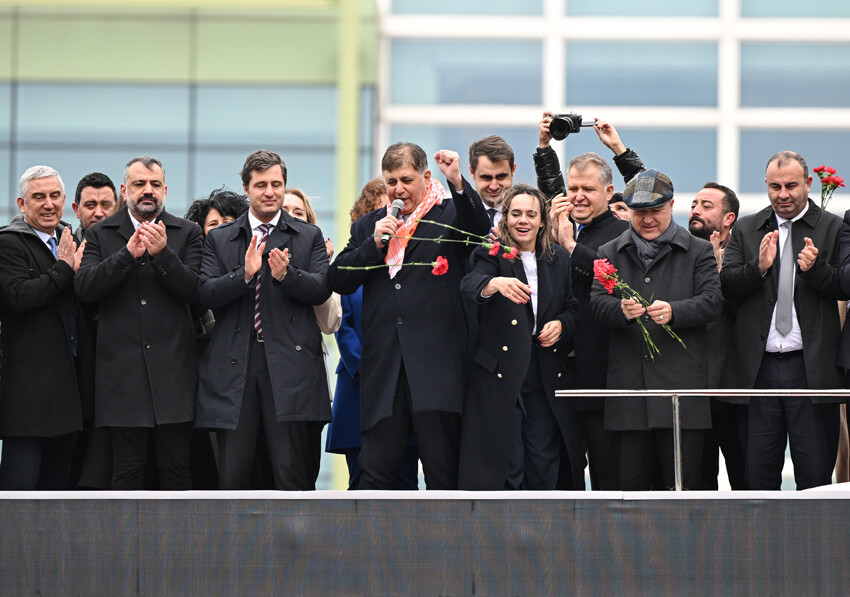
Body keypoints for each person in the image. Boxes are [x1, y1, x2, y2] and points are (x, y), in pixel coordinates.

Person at [328, 142, 489, 490]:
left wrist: (459, 182)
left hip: (437, 370)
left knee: (443, 471)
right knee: (375, 474)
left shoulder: (449, 214)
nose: (398, 189)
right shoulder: (371, 225)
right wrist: (373, 245)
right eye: (390, 181)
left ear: (426, 177)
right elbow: (338, 277)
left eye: (406, 179)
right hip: (385, 370)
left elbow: (478, 228)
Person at [196, 149, 332, 490]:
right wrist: (244, 273)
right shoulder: (220, 238)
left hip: (290, 365)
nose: (269, 192)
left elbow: (320, 289)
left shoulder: (307, 236)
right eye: (261, 185)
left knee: (290, 474)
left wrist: (288, 275)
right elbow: (205, 294)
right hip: (236, 364)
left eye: (276, 184)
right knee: (234, 475)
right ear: (247, 188)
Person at [590, 169, 723, 490]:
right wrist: (620, 310)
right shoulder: (609, 252)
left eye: (655, 211)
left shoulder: (698, 250)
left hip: (681, 396)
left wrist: (675, 311)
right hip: (629, 395)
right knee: (631, 496)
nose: (647, 219)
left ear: (671, 206)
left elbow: (713, 301)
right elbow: (595, 302)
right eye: (640, 213)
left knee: (682, 490)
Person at [75, 156, 203, 490]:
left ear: (165, 189)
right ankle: (124, 546)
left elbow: (194, 291)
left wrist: (163, 255)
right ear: (124, 190)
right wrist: (125, 256)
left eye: (154, 185)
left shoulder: (187, 232)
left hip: (174, 377)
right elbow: (86, 288)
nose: (147, 191)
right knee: (127, 472)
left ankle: (180, 544)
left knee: (176, 471)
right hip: (122, 380)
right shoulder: (101, 233)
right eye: (139, 184)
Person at [721, 151, 845, 490]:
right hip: (758, 372)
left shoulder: (833, 228)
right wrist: (758, 268)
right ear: (766, 186)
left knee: (815, 477)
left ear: (808, 184)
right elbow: (726, 287)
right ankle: (762, 545)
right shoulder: (747, 228)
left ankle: (814, 545)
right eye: (775, 187)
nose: (783, 194)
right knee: (758, 477)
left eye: (791, 185)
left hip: (812, 370)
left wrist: (816, 269)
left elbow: (843, 285)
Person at [534, 116, 644, 490]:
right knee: (561, 474)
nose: (578, 196)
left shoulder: (623, 231)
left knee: (607, 474)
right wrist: (545, 146)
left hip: (602, 376)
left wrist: (571, 248)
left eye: (588, 189)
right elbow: (549, 192)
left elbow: (616, 280)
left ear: (609, 192)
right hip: (557, 370)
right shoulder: (557, 223)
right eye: (573, 188)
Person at [459, 184, 578, 490]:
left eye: (530, 214)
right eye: (515, 213)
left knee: (543, 460)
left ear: (542, 221)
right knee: (506, 463)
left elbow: (571, 308)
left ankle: (546, 534)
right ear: (505, 218)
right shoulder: (492, 251)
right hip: (501, 373)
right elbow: (470, 285)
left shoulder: (558, 259)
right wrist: (494, 283)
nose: (522, 220)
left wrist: (562, 326)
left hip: (544, 373)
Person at [325, 178, 419, 489]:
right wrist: (366, 367)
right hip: (359, 380)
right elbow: (343, 324)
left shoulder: (407, 266)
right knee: (363, 477)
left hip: (403, 382)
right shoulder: (353, 265)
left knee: (405, 473)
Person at [0, 166, 82, 490]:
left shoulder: (69, 239)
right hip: (26, 399)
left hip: (66, 395)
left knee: (56, 500)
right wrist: (64, 268)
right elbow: (18, 297)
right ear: (22, 204)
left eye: (55, 195)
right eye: (39, 197)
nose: (48, 204)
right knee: (19, 497)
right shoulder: (8, 242)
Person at [687, 182, 747, 490]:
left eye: (706, 206)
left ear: (728, 219)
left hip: (734, 391)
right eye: (695, 204)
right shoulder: (680, 255)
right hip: (691, 392)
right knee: (697, 482)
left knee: (745, 478)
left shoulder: (746, 258)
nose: (695, 210)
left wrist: (720, 277)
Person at [71, 172, 120, 244]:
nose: (98, 213)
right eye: (90, 205)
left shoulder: (132, 247)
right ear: (76, 210)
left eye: (106, 205)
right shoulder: (63, 250)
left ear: (117, 209)